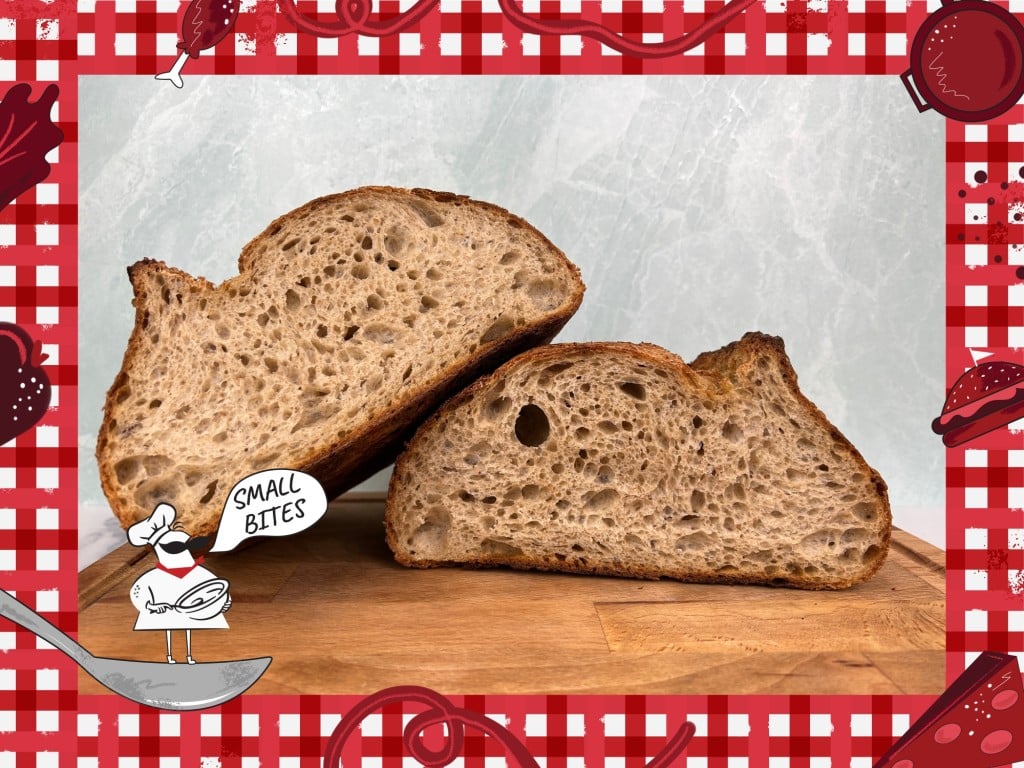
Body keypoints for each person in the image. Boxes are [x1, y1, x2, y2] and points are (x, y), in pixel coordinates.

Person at [127, 502, 231, 664]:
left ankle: (189, 656)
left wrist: (225, 601)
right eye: (176, 547)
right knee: (168, 629)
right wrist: (150, 606)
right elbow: (138, 592)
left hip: (198, 612)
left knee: (189, 629)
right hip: (162, 614)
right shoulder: (155, 577)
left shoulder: (197, 573)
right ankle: (169, 656)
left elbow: (215, 587)